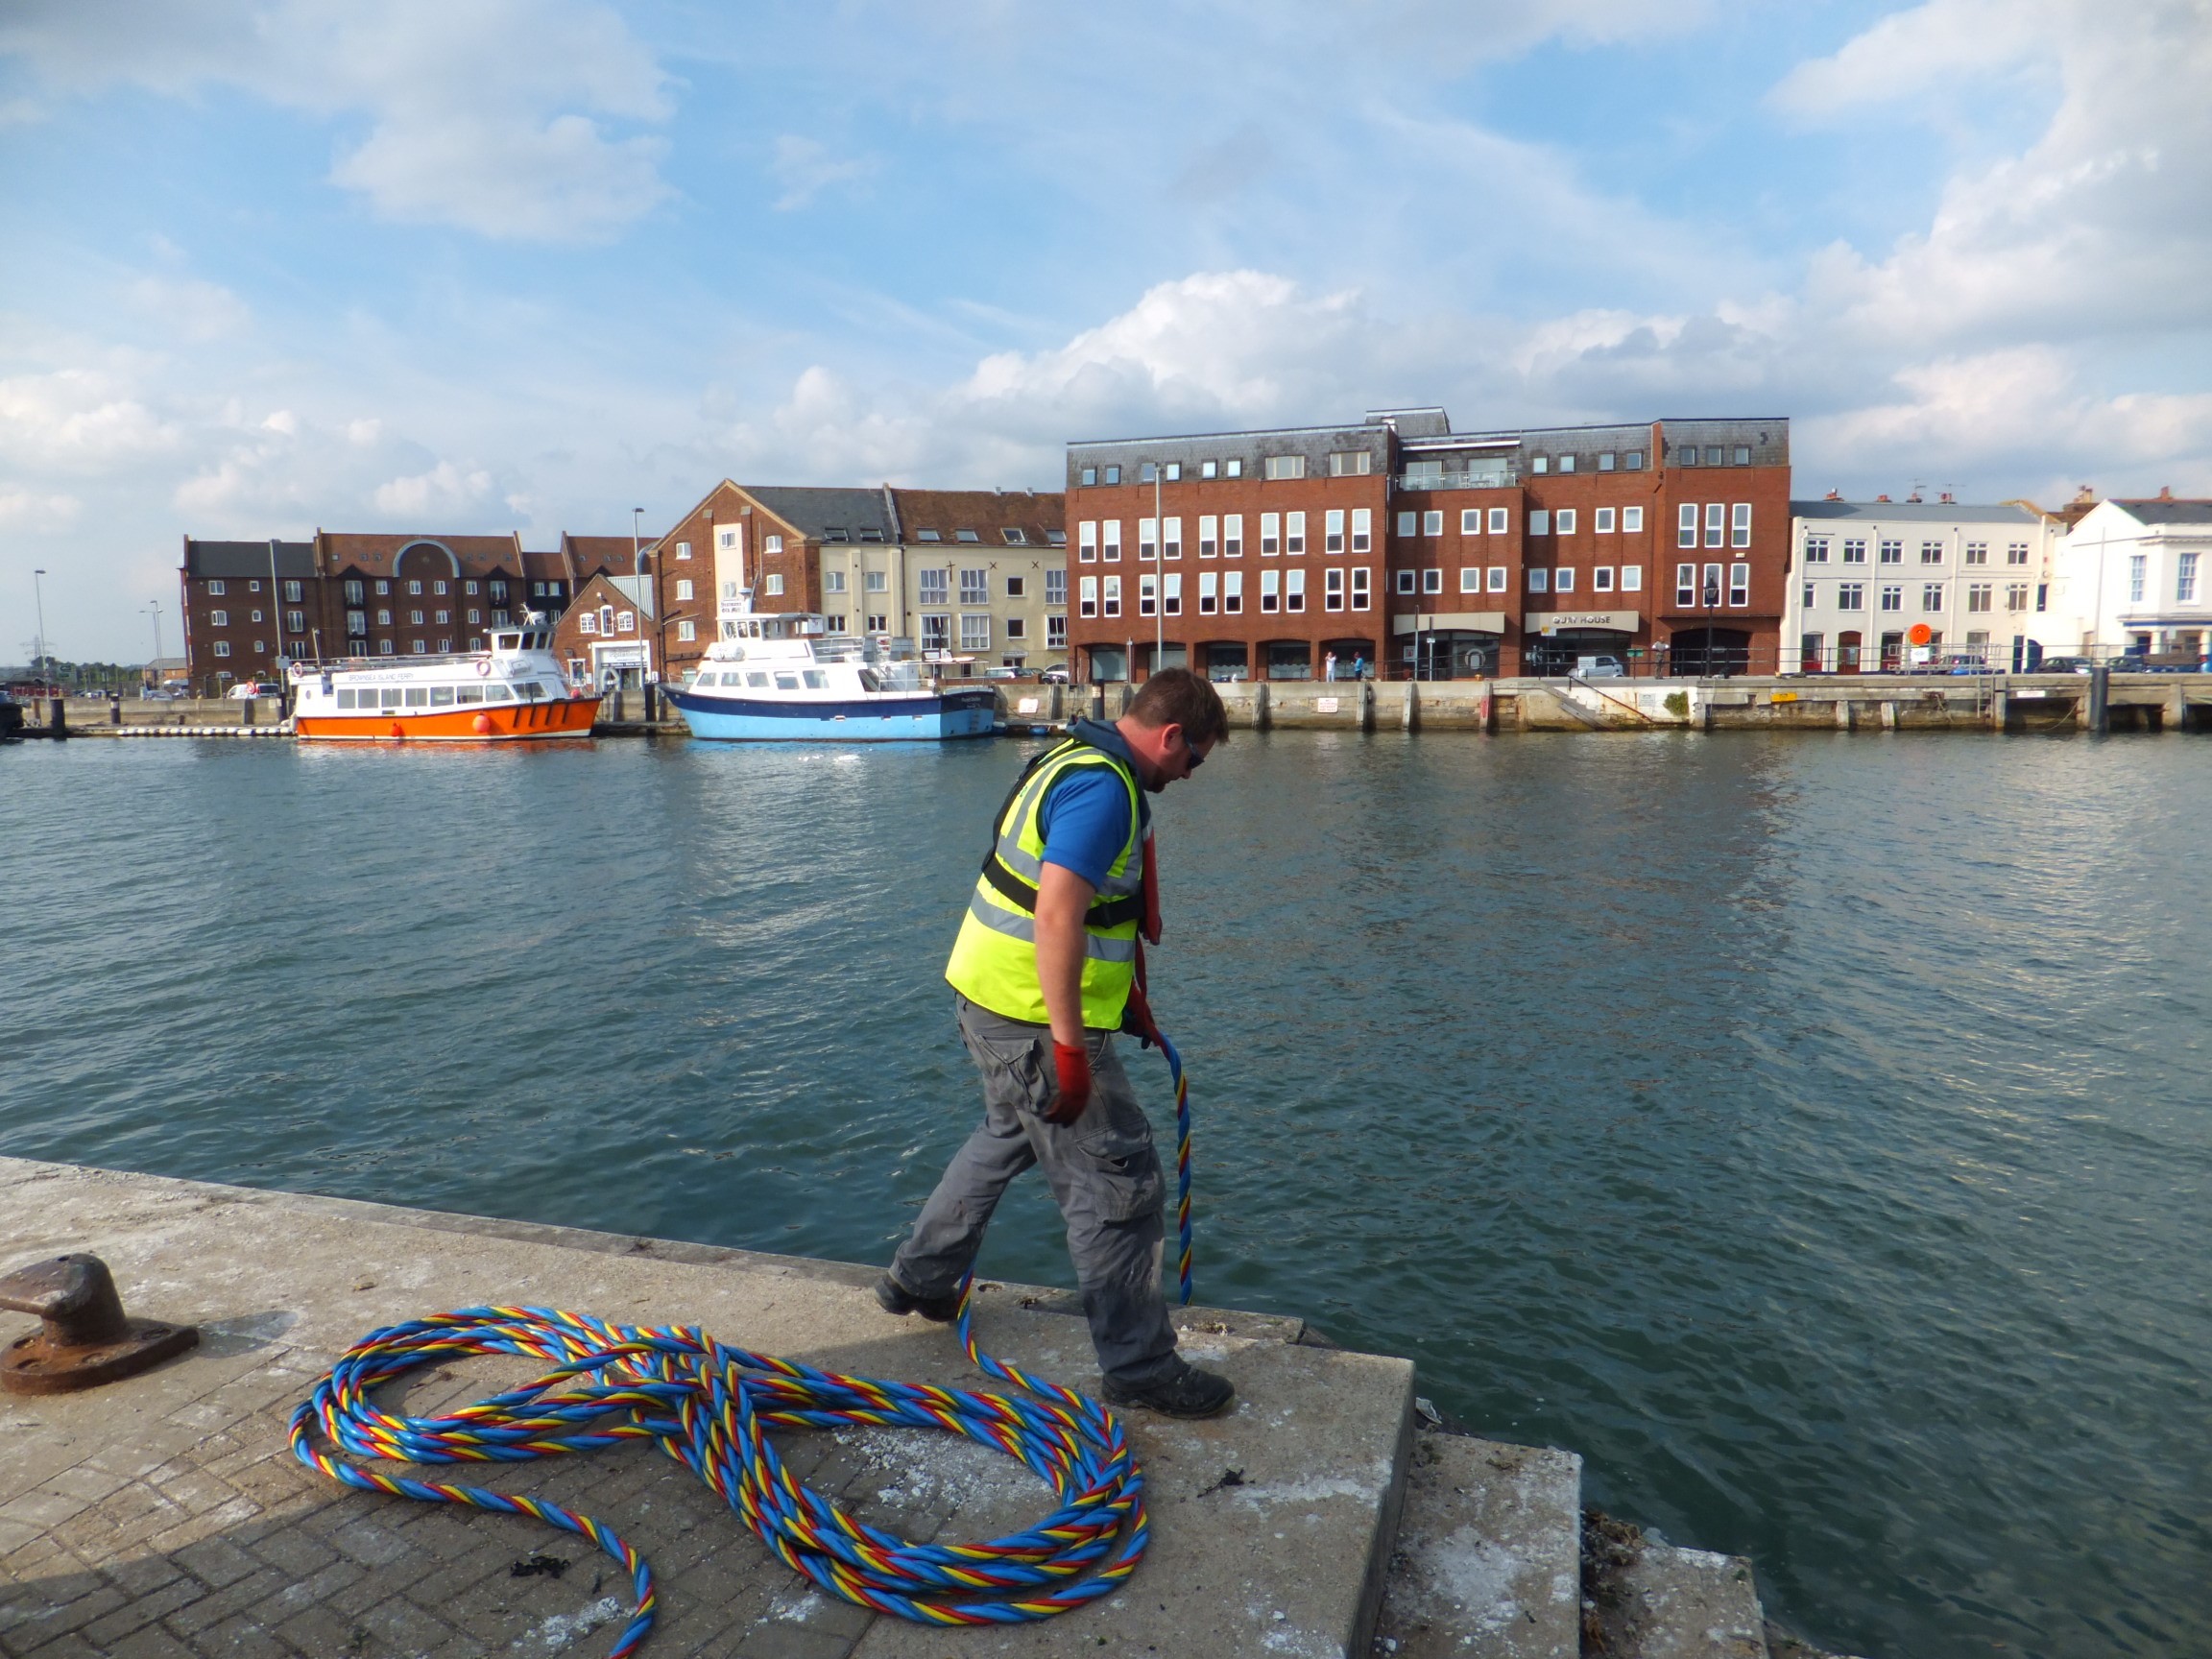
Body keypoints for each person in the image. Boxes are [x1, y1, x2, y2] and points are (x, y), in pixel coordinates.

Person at [878, 668, 1234, 1418]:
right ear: (1171, 737)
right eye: (1194, 758)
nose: (1190, 775)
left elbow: (1087, 912)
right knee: (1119, 1184)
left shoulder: (1072, 756)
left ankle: (921, 1279)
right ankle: (1139, 1367)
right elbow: (1058, 917)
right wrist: (1072, 1050)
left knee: (1006, 1133)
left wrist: (1126, 997)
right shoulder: (1104, 789)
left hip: (989, 996)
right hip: (1034, 1017)